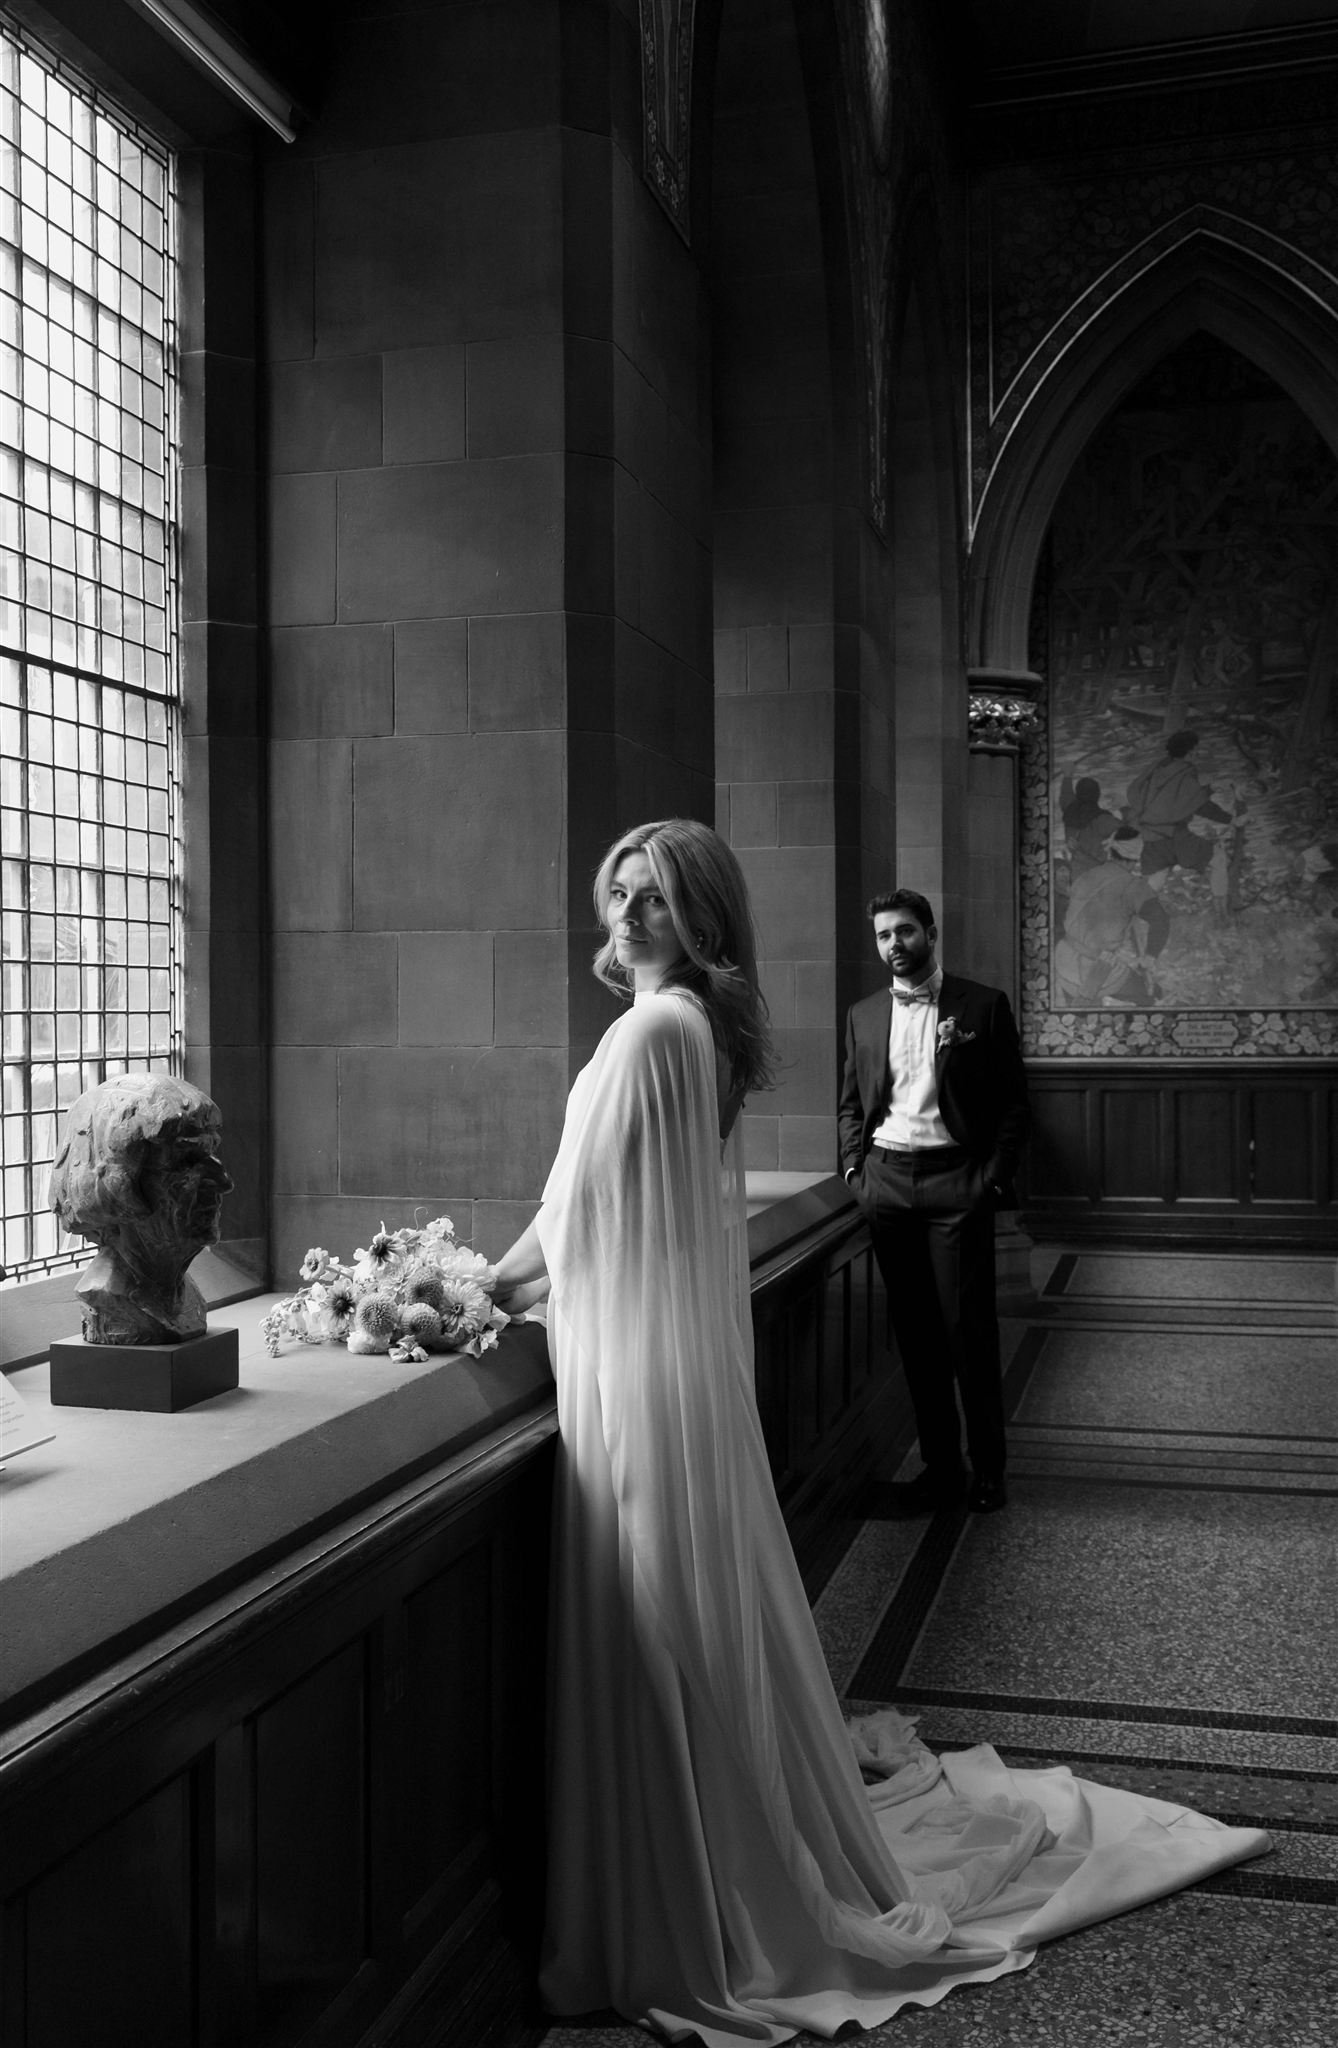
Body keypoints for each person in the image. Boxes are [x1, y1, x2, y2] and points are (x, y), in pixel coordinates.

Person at [492, 820, 1266, 2047]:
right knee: (682, 1615)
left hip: (636, 1367)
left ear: (700, 914)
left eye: (656, 897)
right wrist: (486, 1284)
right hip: (661, 1361)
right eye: (619, 893)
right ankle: (709, 1835)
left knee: (662, 1615)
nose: (630, 913)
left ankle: (702, 1883)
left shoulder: (652, 1030)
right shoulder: (690, 1026)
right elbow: (581, 1205)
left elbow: (576, 1212)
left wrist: (476, 1292)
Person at [837, 890, 1027, 1515]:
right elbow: (850, 1101)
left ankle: (989, 1471)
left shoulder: (983, 1005)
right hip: (886, 1182)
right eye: (885, 935)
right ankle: (940, 1468)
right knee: (916, 1337)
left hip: (956, 1183)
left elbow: (1013, 1103)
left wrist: (991, 1179)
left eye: (906, 932)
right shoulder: (864, 1013)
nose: (895, 944)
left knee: (968, 1332)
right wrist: (853, 1170)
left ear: (931, 934)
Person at [48, 1073, 233, 1346]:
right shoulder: (108, 1293)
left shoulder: (181, 1294)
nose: (222, 1182)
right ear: (117, 1185)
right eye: (185, 1160)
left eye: (211, 1153)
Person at [1054, 827, 1171, 1006]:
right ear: (1137, 857)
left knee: (1083, 1019)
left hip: (1063, 960)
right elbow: (1161, 922)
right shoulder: (1134, 886)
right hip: (1093, 970)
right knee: (1149, 994)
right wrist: (1149, 958)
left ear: (1112, 850)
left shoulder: (1088, 875)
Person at [1123, 728, 1233, 877]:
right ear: (1190, 752)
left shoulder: (1157, 767)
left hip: (1146, 835)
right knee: (1218, 859)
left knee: (1153, 881)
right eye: (1196, 750)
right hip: (1171, 836)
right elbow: (1199, 805)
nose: (1197, 754)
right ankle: (1221, 899)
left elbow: (1139, 795)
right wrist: (1229, 818)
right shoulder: (1184, 774)